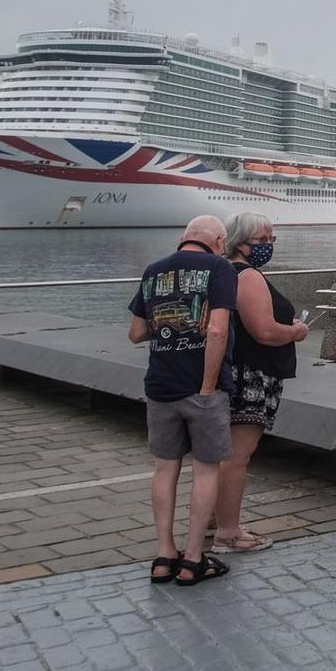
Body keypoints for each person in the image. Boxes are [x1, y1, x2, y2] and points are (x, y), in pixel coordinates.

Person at [127, 215, 238, 586]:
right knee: (206, 470)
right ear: (219, 241)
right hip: (201, 389)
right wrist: (207, 387)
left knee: (165, 469)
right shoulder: (220, 268)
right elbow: (219, 329)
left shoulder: (153, 270)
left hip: (160, 385)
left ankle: (163, 555)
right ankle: (192, 559)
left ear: (184, 238)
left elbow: (136, 332)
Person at [216, 212, 308, 553]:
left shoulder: (223, 271)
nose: (268, 247)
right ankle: (228, 533)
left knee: (221, 455)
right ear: (239, 242)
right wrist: (296, 332)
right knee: (237, 456)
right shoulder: (248, 276)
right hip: (251, 377)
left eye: (271, 240)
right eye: (261, 241)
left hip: (232, 372)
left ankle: (216, 520)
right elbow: (265, 332)